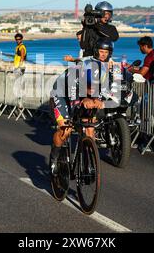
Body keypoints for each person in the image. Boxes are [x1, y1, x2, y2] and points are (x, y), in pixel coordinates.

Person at [50, 38, 121, 175]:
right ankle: (54, 158)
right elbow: (72, 91)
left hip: (85, 93)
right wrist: (80, 102)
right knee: (66, 129)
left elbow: (112, 96)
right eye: (101, 51)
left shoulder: (111, 70)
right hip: (62, 93)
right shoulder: (83, 67)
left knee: (90, 129)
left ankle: (89, 160)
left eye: (106, 52)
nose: (103, 54)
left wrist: (101, 102)